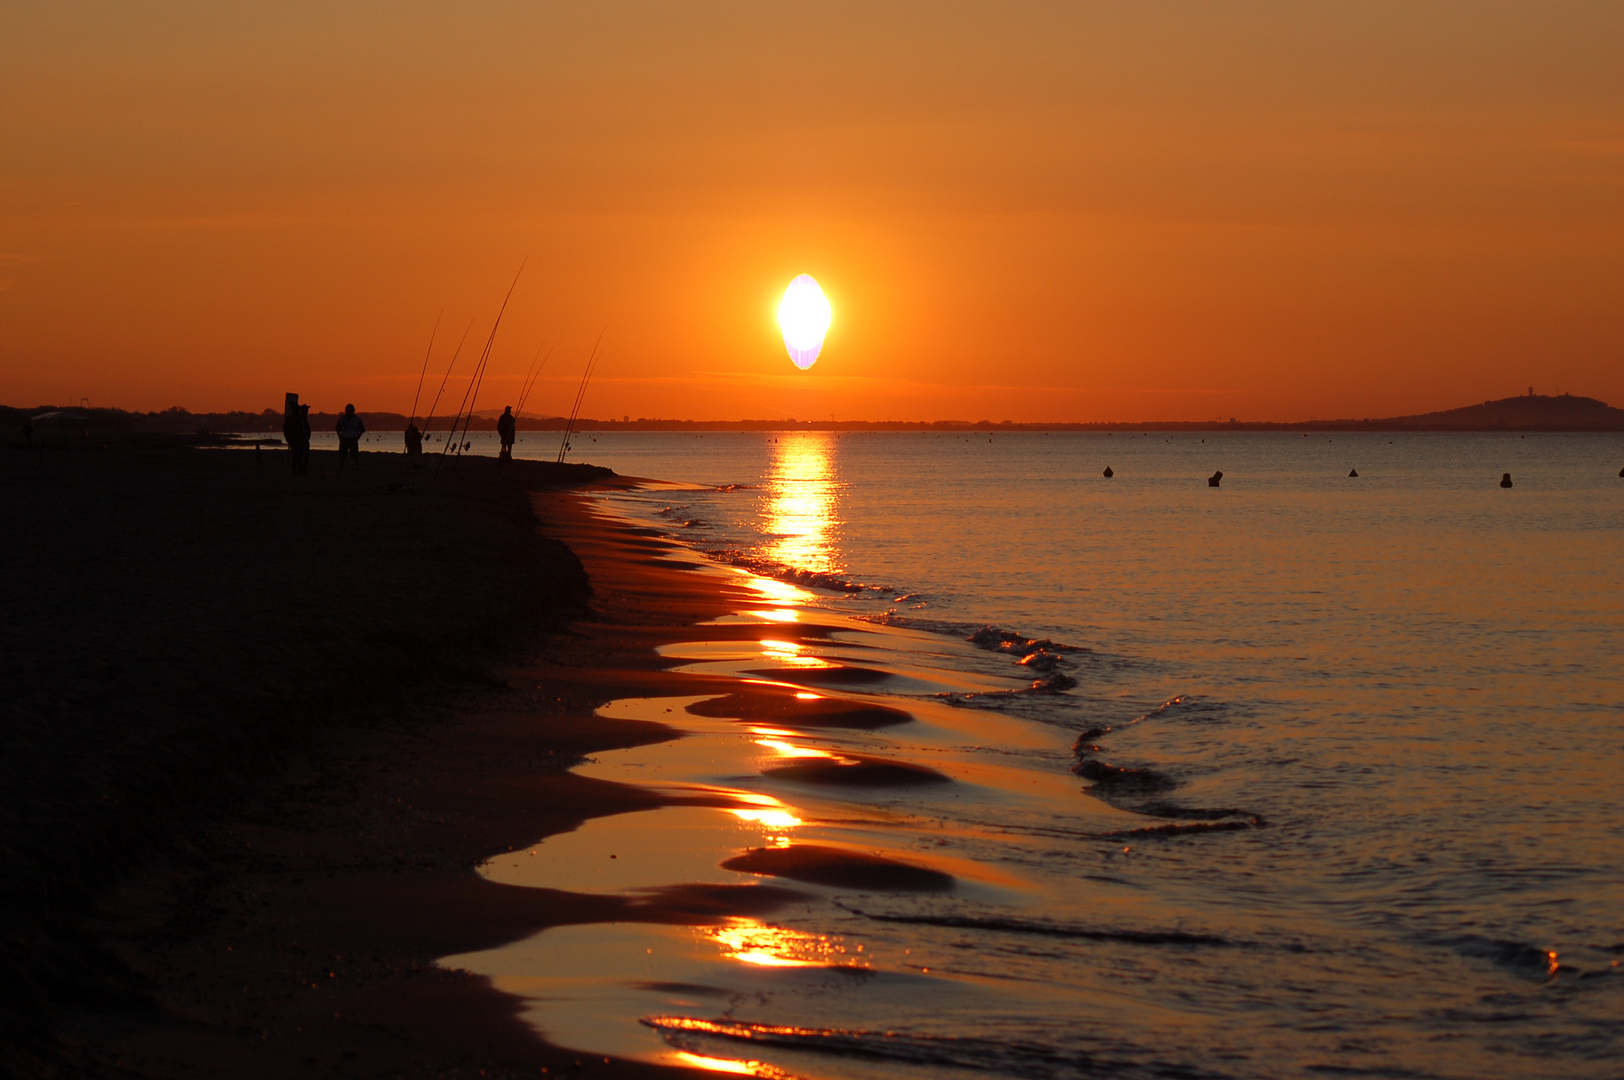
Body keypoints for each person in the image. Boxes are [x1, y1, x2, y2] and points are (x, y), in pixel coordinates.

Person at [335, 403, 365, 474]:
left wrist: (357, 438)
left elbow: (362, 430)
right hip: (344, 439)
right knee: (342, 456)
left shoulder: (357, 419)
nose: (350, 411)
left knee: (355, 456)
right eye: (348, 410)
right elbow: (338, 429)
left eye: (351, 410)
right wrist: (340, 438)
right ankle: (341, 469)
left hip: (353, 439)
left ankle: (358, 469)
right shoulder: (342, 419)